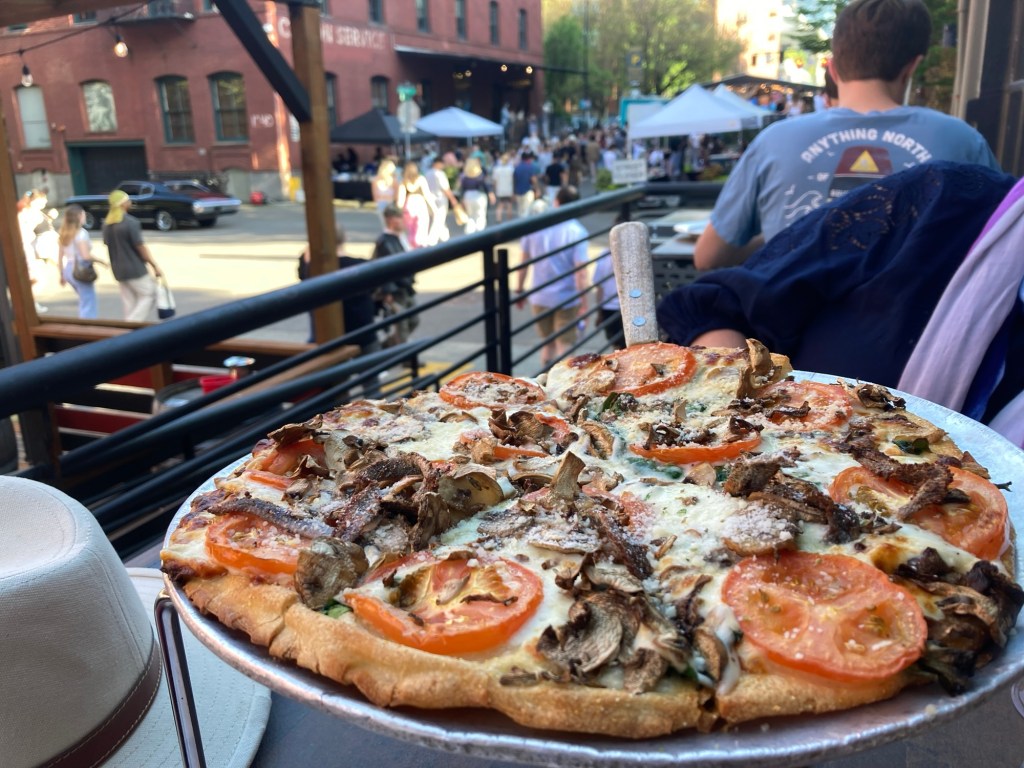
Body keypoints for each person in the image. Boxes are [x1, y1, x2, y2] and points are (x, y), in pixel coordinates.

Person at [657, 162, 1018, 394]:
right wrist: (730, 411)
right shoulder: (945, 196)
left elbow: (707, 254)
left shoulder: (774, 140)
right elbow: (714, 306)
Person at [693, 0, 1002, 272]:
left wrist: (790, 233)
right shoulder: (962, 141)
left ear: (832, 68)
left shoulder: (774, 142)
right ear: (912, 66)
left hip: (794, 320)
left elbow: (707, 257)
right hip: (923, 321)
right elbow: (1003, 246)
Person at [516, 186, 589, 367]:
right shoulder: (576, 231)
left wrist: (519, 289)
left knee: (547, 344)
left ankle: (546, 378)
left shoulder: (536, 226)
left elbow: (523, 262)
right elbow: (581, 272)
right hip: (567, 297)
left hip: (539, 296)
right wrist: (584, 303)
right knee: (565, 345)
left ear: (556, 202)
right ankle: (566, 381)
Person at [298, 225, 380, 354]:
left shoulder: (313, 269)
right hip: (361, 334)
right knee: (373, 362)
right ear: (344, 238)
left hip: (324, 336)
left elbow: (302, 275)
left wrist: (309, 253)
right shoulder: (361, 266)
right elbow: (375, 289)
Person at [102, 189, 163, 322]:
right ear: (123, 204)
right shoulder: (131, 222)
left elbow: (108, 244)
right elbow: (140, 246)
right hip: (134, 268)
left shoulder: (106, 224)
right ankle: (131, 325)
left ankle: (129, 326)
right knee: (149, 294)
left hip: (117, 268)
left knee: (129, 301)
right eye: (127, 200)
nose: (130, 202)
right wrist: (154, 265)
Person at [372, 205, 418, 348]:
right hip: (396, 289)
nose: (403, 221)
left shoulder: (399, 238)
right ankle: (403, 354)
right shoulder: (385, 242)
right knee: (401, 325)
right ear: (391, 220)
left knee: (413, 320)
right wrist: (387, 292)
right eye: (399, 217)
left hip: (405, 287)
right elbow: (384, 269)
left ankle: (386, 347)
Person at [57, 204, 105, 319]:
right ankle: (88, 326)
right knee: (88, 303)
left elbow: (60, 257)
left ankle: (86, 324)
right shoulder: (81, 233)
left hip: (69, 269)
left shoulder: (63, 233)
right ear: (79, 216)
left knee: (84, 300)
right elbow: (85, 256)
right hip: (80, 269)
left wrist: (62, 274)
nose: (85, 216)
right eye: (83, 214)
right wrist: (101, 261)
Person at [396, 161, 437, 249]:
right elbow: (427, 195)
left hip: (409, 206)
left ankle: (412, 247)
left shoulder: (403, 182)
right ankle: (421, 246)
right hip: (420, 205)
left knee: (411, 230)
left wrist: (398, 212)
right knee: (422, 227)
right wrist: (434, 208)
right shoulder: (421, 179)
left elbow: (400, 201)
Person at [425, 156, 460, 245]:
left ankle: (445, 237)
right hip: (440, 198)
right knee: (439, 218)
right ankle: (432, 240)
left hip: (430, 199)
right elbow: (445, 188)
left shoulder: (427, 173)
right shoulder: (440, 174)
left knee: (438, 218)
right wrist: (452, 199)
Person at [457, 157, 495, 234]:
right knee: (480, 215)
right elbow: (486, 185)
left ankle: (469, 234)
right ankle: (480, 234)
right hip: (479, 196)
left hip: (468, 196)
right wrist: (491, 194)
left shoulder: (464, 176)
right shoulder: (481, 175)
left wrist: (461, 200)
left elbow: (461, 189)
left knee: (471, 216)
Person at [371, 159, 398, 224]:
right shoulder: (376, 180)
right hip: (381, 204)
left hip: (390, 203)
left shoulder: (394, 181)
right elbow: (374, 195)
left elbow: (396, 194)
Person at [491, 153, 515, 223]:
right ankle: (509, 219)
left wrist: (494, 189)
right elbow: (513, 180)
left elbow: (495, 181)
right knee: (509, 204)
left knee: (500, 204)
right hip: (509, 189)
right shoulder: (511, 169)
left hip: (500, 189)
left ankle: (498, 218)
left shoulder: (497, 169)